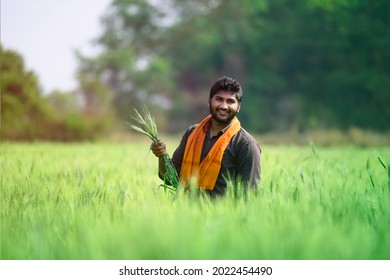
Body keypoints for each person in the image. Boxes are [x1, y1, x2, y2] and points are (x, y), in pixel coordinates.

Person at [151, 76, 261, 198]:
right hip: (185, 214)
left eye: (230, 101)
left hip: (224, 216)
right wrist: (162, 156)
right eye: (219, 99)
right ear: (209, 100)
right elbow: (171, 179)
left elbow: (248, 196)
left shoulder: (246, 145)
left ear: (239, 106)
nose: (224, 106)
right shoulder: (192, 133)